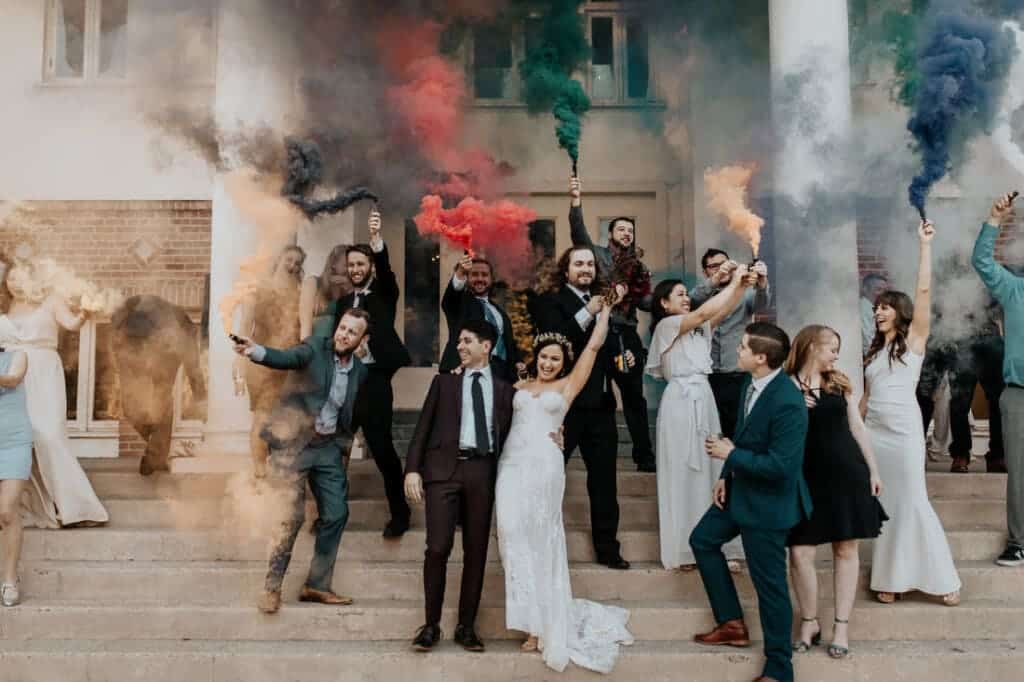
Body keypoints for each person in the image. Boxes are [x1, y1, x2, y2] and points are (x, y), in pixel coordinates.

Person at [496, 297, 634, 673]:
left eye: (556, 359)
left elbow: (592, 345)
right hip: (510, 467)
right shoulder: (517, 386)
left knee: (541, 540)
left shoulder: (568, 386)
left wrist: (605, 310)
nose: (549, 363)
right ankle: (526, 613)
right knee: (510, 536)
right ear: (537, 355)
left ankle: (539, 626)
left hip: (545, 466)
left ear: (563, 363)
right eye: (545, 356)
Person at [689, 322, 811, 682]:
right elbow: (746, 439)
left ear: (761, 357)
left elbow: (782, 466)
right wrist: (726, 476)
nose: (736, 351)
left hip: (769, 506)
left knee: (770, 587)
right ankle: (731, 623)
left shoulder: (788, 401)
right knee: (702, 540)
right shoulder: (750, 383)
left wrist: (731, 455)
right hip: (739, 492)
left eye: (742, 347)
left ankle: (779, 669)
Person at [232, 308, 370, 614]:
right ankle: (272, 587)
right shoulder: (315, 348)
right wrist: (255, 351)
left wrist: (343, 447)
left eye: (352, 332)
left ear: (361, 340)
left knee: (336, 513)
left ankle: (317, 585)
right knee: (289, 516)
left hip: (327, 448)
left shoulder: (360, 369)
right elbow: (286, 357)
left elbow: (350, 412)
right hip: (292, 444)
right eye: (342, 328)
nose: (343, 335)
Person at [863, 219, 961, 606]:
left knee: (913, 501)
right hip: (875, 435)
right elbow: (866, 400)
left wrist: (924, 246)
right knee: (885, 506)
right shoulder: (872, 352)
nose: (879, 312)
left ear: (900, 313)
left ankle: (941, 577)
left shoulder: (914, 342)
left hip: (903, 434)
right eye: (876, 308)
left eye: (886, 307)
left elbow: (923, 289)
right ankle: (890, 578)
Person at [403, 320, 517, 653]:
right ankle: (431, 625)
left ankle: (466, 626)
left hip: (483, 472)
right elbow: (422, 428)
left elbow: (518, 431)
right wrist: (413, 470)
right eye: (459, 342)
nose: (460, 346)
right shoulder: (444, 384)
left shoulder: (505, 390)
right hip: (443, 472)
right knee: (437, 547)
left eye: (467, 341)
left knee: (477, 552)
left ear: (487, 346)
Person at [785, 325, 887, 660]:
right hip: (804, 478)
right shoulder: (783, 384)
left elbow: (856, 427)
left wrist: (872, 469)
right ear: (812, 346)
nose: (836, 355)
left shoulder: (838, 383)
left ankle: (841, 626)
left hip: (846, 473)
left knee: (845, 549)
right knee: (800, 552)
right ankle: (810, 621)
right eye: (832, 348)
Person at [645, 271, 751, 571]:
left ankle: (719, 542)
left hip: (704, 400)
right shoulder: (667, 326)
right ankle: (683, 548)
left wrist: (741, 286)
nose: (685, 298)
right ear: (664, 304)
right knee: (681, 472)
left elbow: (722, 311)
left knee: (711, 467)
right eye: (678, 294)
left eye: (685, 293)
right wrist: (731, 283)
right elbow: (706, 310)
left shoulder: (697, 329)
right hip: (680, 402)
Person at [533, 246, 630, 569]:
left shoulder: (607, 302)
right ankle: (541, 545)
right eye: (579, 264)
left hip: (601, 407)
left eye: (590, 264)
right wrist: (589, 310)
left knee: (604, 483)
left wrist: (627, 357)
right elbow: (554, 341)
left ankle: (608, 549)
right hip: (564, 407)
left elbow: (614, 343)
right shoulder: (550, 301)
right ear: (566, 269)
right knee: (546, 476)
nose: (586, 269)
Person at [0, 258, 108, 529]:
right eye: (9, 278)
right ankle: (30, 507)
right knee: (21, 441)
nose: (13, 282)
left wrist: (85, 311)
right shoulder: (3, 307)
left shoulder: (50, 302)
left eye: (17, 276)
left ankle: (79, 508)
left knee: (48, 436)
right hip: (11, 377)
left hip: (44, 374)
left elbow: (73, 324)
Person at [328, 208, 411, 538]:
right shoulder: (342, 301)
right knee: (335, 450)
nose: (356, 269)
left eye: (361, 264)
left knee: (383, 451)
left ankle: (400, 514)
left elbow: (389, 273)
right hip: (345, 384)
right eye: (351, 265)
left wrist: (377, 240)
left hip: (375, 384)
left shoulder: (385, 294)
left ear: (371, 267)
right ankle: (330, 514)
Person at [568, 176, 655, 472]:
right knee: (592, 393)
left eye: (630, 230)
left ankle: (644, 457)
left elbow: (645, 304)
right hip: (599, 333)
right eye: (621, 229)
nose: (627, 234)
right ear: (610, 233)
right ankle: (586, 452)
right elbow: (578, 233)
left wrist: (647, 292)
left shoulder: (640, 266)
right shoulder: (597, 256)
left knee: (634, 398)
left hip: (627, 334)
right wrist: (576, 201)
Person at [973, 191, 1024, 567]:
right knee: (1019, 473)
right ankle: (1018, 541)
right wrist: (994, 218)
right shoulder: (1015, 290)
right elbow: (981, 261)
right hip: (1018, 394)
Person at [111, 295, 207, 476]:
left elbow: (192, 364)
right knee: (130, 407)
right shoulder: (127, 323)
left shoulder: (178, 329)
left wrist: (200, 395)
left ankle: (156, 454)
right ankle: (158, 449)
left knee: (161, 401)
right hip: (144, 344)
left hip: (169, 350)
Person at [234, 245, 305, 477]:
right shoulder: (258, 290)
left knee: (288, 419)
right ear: (279, 259)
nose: (293, 266)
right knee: (263, 416)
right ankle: (259, 472)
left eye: (298, 263)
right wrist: (239, 365)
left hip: (292, 365)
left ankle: (280, 473)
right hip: (262, 364)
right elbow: (244, 328)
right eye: (289, 260)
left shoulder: (302, 293)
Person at [690, 249, 771, 439]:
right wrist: (717, 278)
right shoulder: (703, 294)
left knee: (735, 424)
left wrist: (762, 283)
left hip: (735, 371)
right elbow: (692, 300)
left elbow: (762, 304)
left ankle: (734, 465)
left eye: (725, 263)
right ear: (706, 271)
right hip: (706, 372)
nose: (721, 269)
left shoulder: (744, 292)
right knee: (706, 425)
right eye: (714, 266)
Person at [439, 253, 523, 382]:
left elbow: (508, 343)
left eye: (484, 275)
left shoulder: (498, 311)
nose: (480, 279)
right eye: (474, 274)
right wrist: (460, 272)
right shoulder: (460, 303)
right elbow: (451, 297)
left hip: (501, 374)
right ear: (467, 277)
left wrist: (517, 362)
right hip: (466, 371)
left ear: (491, 279)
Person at [0, 344, 31, 606]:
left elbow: (12, 379)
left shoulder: (17, 356)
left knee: (7, 511)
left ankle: (10, 579)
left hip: (13, 443)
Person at [299, 244, 350, 339]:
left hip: (339, 346)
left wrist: (348, 284)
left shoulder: (348, 289)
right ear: (334, 263)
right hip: (316, 344)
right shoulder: (312, 282)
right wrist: (306, 347)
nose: (350, 269)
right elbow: (305, 324)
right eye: (346, 265)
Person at [860, 274, 889, 354]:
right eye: (878, 289)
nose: (882, 293)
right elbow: (867, 341)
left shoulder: (874, 308)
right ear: (865, 289)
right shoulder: (863, 309)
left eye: (884, 290)